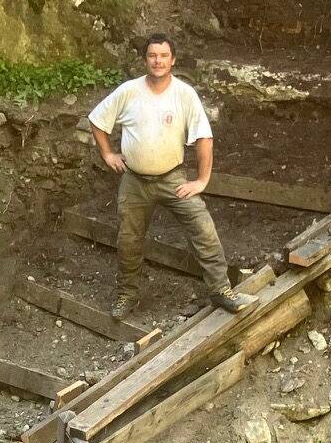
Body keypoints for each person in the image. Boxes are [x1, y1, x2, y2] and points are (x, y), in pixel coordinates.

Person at [87, 34, 255, 320]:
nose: (158, 61)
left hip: (172, 178)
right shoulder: (129, 91)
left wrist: (202, 181)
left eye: (163, 56)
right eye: (152, 56)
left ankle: (220, 290)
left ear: (172, 60)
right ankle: (127, 294)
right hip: (135, 181)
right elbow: (97, 120)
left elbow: (204, 138)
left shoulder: (184, 94)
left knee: (203, 227)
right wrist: (108, 155)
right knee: (129, 239)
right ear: (145, 60)